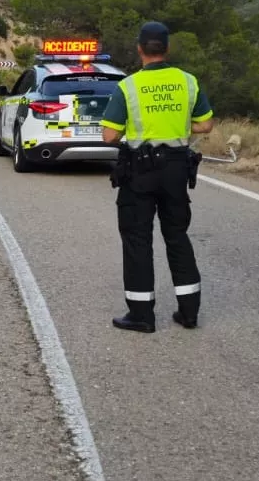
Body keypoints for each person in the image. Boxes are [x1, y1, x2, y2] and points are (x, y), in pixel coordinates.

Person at [100, 21, 215, 333]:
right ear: (167, 48)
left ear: (139, 49)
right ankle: (189, 312)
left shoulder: (128, 86)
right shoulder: (188, 81)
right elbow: (205, 125)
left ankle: (141, 314)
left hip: (140, 170)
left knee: (138, 240)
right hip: (177, 168)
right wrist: (176, 129)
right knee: (177, 236)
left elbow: (109, 135)